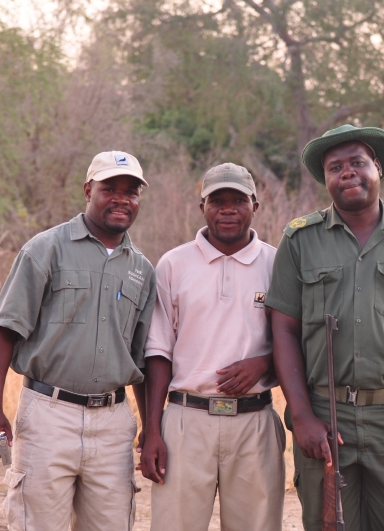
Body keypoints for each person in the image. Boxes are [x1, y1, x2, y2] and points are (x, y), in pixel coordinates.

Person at [265, 125, 384, 531]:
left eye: (357, 162)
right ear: (326, 180)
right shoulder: (300, 240)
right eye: (335, 167)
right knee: (327, 524)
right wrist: (301, 415)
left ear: (378, 168)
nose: (347, 173)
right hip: (325, 417)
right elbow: (283, 332)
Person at [0, 151, 156, 531]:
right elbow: (5, 331)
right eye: (110, 189)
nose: (121, 199)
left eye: (131, 192)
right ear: (88, 190)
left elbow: (141, 361)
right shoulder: (45, 249)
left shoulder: (142, 269)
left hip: (112, 423)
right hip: (48, 414)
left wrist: (151, 428)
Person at [139, 163, 285, 531]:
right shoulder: (174, 264)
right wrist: (152, 429)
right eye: (217, 201)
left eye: (239, 200)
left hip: (254, 419)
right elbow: (158, 352)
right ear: (202, 207)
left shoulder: (278, 264)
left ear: (255, 206)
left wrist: (264, 363)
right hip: (186, 420)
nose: (228, 209)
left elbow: (297, 342)